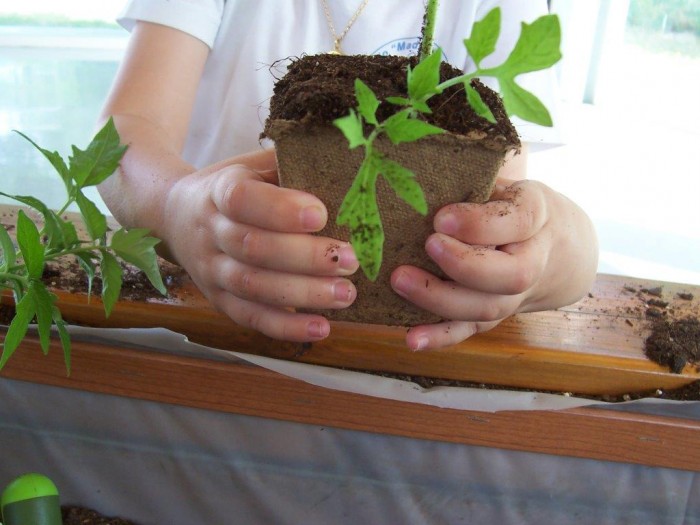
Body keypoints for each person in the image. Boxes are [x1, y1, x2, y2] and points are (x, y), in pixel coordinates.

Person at [98, 0, 598, 351]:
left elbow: (500, 209)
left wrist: (551, 255)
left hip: (397, 365)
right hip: (214, 328)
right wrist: (174, 208)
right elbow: (120, 137)